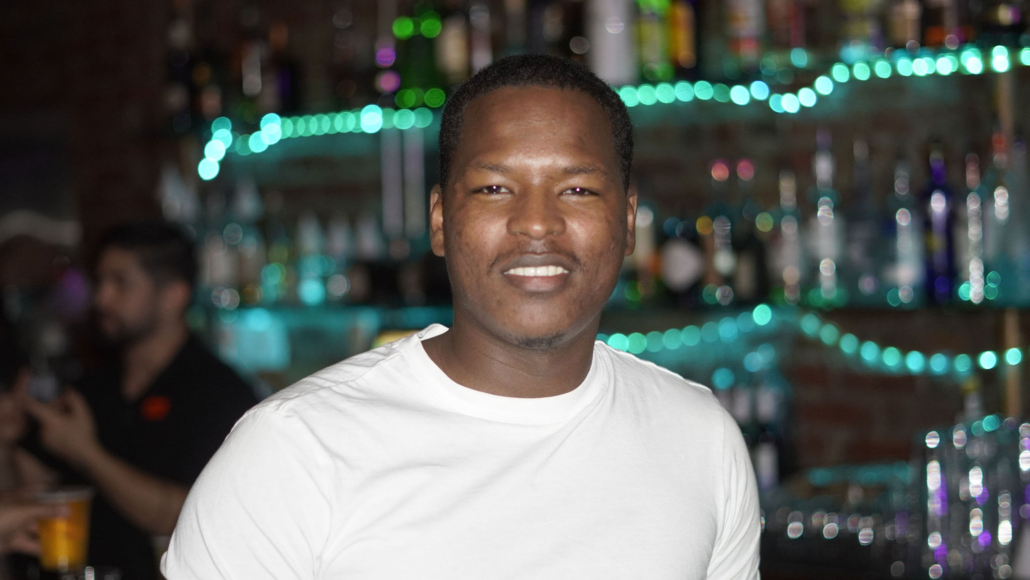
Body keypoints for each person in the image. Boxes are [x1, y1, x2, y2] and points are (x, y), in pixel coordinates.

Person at [163, 55, 761, 579]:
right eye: (494, 188)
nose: (536, 223)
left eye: (577, 190)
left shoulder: (700, 438)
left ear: (628, 223)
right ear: (440, 220)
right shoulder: (295, 450)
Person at [5, 222, 258, 580]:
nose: (101, 299)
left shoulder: (220, 394)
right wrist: (6, 440)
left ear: (173, 296)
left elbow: (192, 516)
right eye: (100, 281)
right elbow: (29, 488)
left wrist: (87, 453)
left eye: (120, 283)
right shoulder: (91, 385)